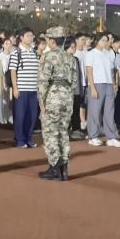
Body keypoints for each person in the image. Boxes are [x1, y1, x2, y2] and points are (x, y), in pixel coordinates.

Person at [36, 29, 76, 181]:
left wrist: (42, 102)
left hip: (53, 97)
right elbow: (74, 82)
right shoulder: (71, 58)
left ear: (52, 41)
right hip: (67, 98)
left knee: (50, 133)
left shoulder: (48, 56)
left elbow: (43, 81)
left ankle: (54, 167)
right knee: (63, 133)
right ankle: (64, 168)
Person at [84, 33, 120, 148]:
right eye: (103, 40)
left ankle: (112, 137)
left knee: (109, 111)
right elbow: (89, 71)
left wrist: (114, 84)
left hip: (109, 84)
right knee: (95, 111)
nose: (105, 42)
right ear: (97, 41)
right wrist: (92, 87)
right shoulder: (91, 53)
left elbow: (113, 70)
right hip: (96, 83)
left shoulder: (110, 53)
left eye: (106, 40)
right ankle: (93, 136)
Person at [9, 28, 39, 149]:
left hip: (34, 90)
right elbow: (13, 71)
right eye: (28, 35)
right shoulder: (16, 53)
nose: (31, 38)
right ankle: (20, 139)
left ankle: (29, 138)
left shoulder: (35, 53)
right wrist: (15, 88)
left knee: (32, 116)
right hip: (21, 90)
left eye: (32, 36)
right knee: (20, 116)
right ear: (21, 38)